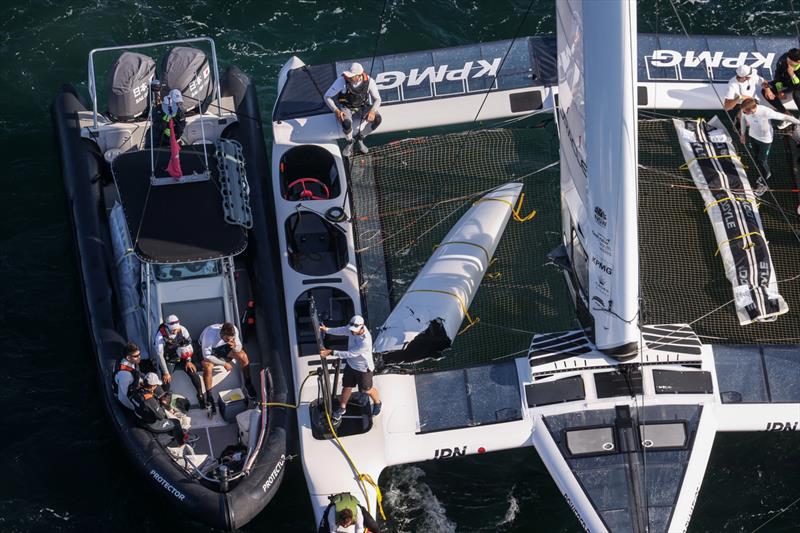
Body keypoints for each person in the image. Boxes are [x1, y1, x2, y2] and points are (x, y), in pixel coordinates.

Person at [319, 315, 382, 421]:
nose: (352, 332)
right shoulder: (351, 329)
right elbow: (342, 330)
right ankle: (342, 408)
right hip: (351, 365)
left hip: (363, 369)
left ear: (362, 328)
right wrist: (327, 330)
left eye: (354, 330)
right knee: (347, 386)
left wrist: (331, 352)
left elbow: (350, 354)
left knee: (367, 390)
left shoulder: (365, 341)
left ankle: (378, 403)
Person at [739, 97, 800, 194]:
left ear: (752, 109)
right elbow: (742, 118)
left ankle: (764, 181)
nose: (743, 113)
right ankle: (762, 173)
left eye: (745, 112)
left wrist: (798, 122)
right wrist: (742, 134)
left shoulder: (766, 111)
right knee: (756, 158)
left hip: (765, 141)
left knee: (762, 160)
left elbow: (786, 117)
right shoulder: (745, 110)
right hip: (752, 137)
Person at [324, 62, 382, 157]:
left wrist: (372, 111)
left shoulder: (370, 81)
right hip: (346, 107)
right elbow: (327, 97)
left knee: (378, 120)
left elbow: (378, 99)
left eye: (351, 76)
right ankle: (350, 141)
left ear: (359, 76)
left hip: (363, 106)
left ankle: (360, 138)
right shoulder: (341, 81)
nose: (347, 77)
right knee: (346, 123)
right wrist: (336, 110)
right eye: (347, 75)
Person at [200, 322, 255, 414]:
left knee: (243, 356)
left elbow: (239, 348)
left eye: (232, 338)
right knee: (208, 367)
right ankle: (209, 396)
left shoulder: (233, 331)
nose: (231, 339)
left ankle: (248, 383)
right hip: (210, 351)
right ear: (222, 334)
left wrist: (235, 346)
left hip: (223, 348)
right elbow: (207, 356)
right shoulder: (209, 336)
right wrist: (224, 364)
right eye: (228, 339)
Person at [153, 314, 205, 408]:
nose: (175, 331)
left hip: (182, 357)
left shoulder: (183, 330)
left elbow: (188, 346)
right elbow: (160, 355)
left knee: (193, 373)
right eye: (173, 329)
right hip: (168, 359)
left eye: (176, 329)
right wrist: (166, 372)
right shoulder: (160, 336)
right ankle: (164, 401)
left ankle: (200, 395)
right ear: (167, 327)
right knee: (166, 381)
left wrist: (188, 361)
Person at [130, 372, 186, 445]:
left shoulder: (137, 390)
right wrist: (162, 406)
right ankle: (180, 443)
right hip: (150, 424)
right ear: (153, 386)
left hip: (138, 417)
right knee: (176, 423)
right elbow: (161, 416)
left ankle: (172, 434)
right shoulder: (149, 400)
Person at [762, 48, 800, 128]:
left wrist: (792, 74)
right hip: (785, 81)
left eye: (790, 61)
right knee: (765, 90)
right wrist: (779, 90)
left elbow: (797, 85)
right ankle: (788, 115)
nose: (787, 61)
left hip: (797, 83)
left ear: (798, 61)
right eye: (787, 59)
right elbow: (778, 77)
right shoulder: (783, 59)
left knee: (796, 94)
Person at [112, 342, 142, 410]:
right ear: (128, 357)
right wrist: (133, 408)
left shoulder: (129, 361)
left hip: (131, 385)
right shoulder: (125, 375)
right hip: (126, 395)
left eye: (139, 354)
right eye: (136, 356)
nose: (139, 357)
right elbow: (122, 397)